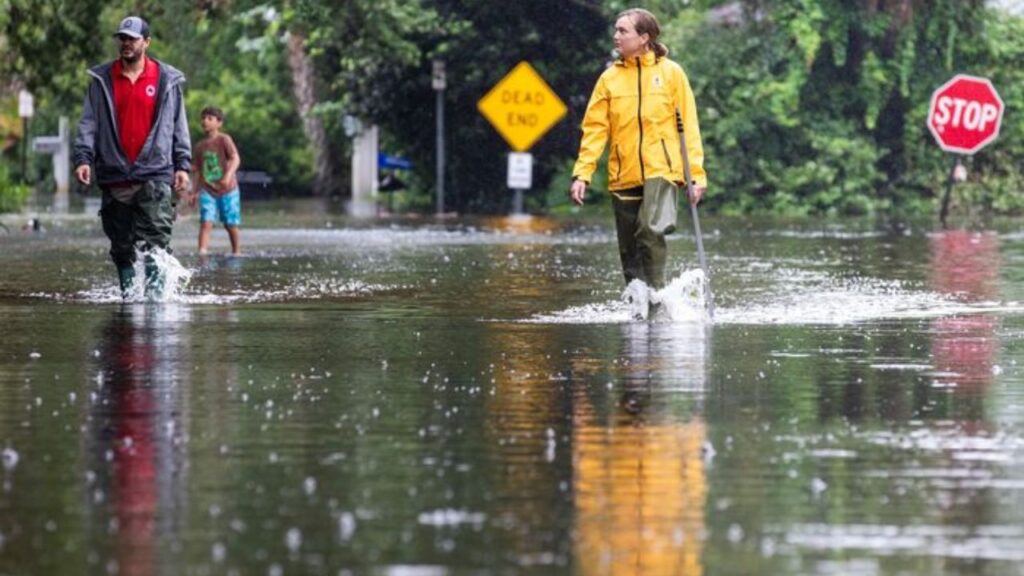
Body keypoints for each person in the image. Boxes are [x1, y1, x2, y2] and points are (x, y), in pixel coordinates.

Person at [570, 8, 707, 293]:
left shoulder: (671, 74)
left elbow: (689, 128)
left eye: (623, 31)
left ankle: (658, 298)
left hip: (663, 170)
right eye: (616, 30)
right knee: (629, 248)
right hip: (624, 172)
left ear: (644, 37)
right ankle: (637, 303)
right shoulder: (609, 79)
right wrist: (582, 174)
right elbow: (595, 130)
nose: (616, 36)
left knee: (649, 230)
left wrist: (695, 174)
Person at [74, 16, 192, 299]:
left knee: (156, 242)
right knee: (121, 246)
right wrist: (83, 158)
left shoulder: (167, 79)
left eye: (132, 39)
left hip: (155, 170)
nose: (126, 44)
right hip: (114, 171)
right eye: (122, 39)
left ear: (146, 42)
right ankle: (128, 300)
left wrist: (183, 164)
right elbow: (89, 122)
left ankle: (154, 303)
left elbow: (179, 123)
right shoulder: (102, 80)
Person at [190, 106, 242, 255]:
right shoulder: (200, 147)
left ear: (219, 123)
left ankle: (236, 252)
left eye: (210, 118)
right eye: (203, 118)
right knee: (206, 222)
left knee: (230, 224)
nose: (205, 121)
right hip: (208, 189)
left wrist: (228, 176)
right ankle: (202, 252)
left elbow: (235, 158)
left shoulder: (224, 139)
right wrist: (194, 192)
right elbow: (198, 171)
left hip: (228, 189)